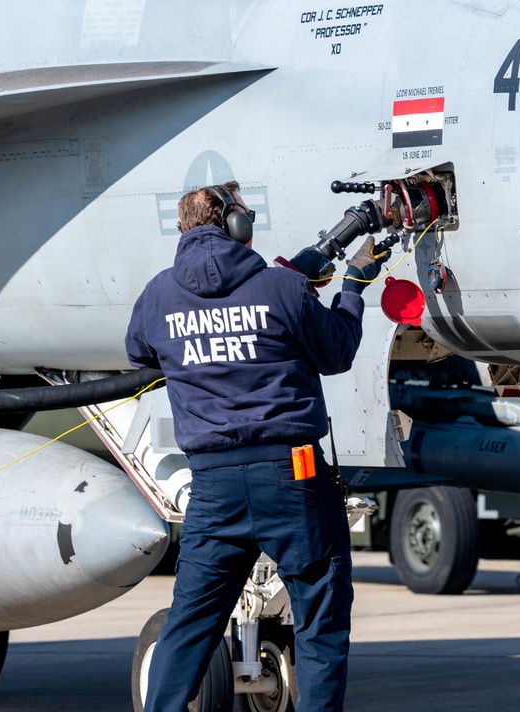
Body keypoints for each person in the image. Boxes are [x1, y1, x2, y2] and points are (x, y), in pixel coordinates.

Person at [124, 182, 388, 711]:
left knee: (191, 626)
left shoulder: (157, 295)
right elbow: (336, 351)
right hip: (292, 476)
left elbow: (139, 352)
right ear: (233, 225)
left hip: (213, 485)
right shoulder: (280, 290)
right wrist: (354, 287)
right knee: (319, 619)